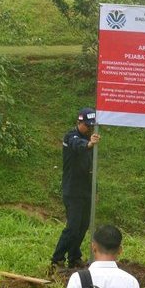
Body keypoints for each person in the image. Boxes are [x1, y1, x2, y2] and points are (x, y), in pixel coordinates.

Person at [51, 107, 101, 270]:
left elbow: (92, 169)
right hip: (72, 191)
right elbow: (77, 145)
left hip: (86, 191)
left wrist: (95, 191)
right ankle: (57, 259)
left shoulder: (90, 143)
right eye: (87, 126)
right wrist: (89, 143)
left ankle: (74, 257)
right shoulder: (71, 137)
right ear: (79, 122)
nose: (89, 129)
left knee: (83, 225)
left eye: (92, 126)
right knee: (73, 226)